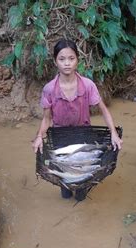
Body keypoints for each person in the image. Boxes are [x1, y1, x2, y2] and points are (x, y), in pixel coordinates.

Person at [32, 39, 123, 200]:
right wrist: (39, 137)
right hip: (60, 139)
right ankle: (68, 195)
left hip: (84, 137)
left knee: (82, 185)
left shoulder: (87, 85)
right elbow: (47, 119)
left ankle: (81, 197)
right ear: (55, 62)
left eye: (71, 58)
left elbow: (103, 110)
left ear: (77, 60)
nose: (67, 63)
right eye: (62, 59)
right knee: (65, 187)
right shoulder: (49, 89)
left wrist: (114, 133)